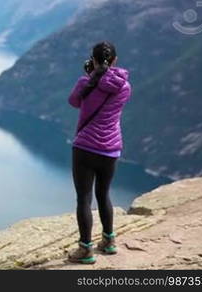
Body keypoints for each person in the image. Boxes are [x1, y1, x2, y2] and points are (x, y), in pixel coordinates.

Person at [67, 41, 131, 264]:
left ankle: (86, 250)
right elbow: (110, 92)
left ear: (93, 60)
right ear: (114, 60)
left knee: (84, 198)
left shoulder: (85, 82)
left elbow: (74, 102)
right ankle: (109, 241)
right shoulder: (125, 86)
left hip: (85, 148)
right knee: (103, 194)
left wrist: (90, 76)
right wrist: (99, 74)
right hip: (111, 149)